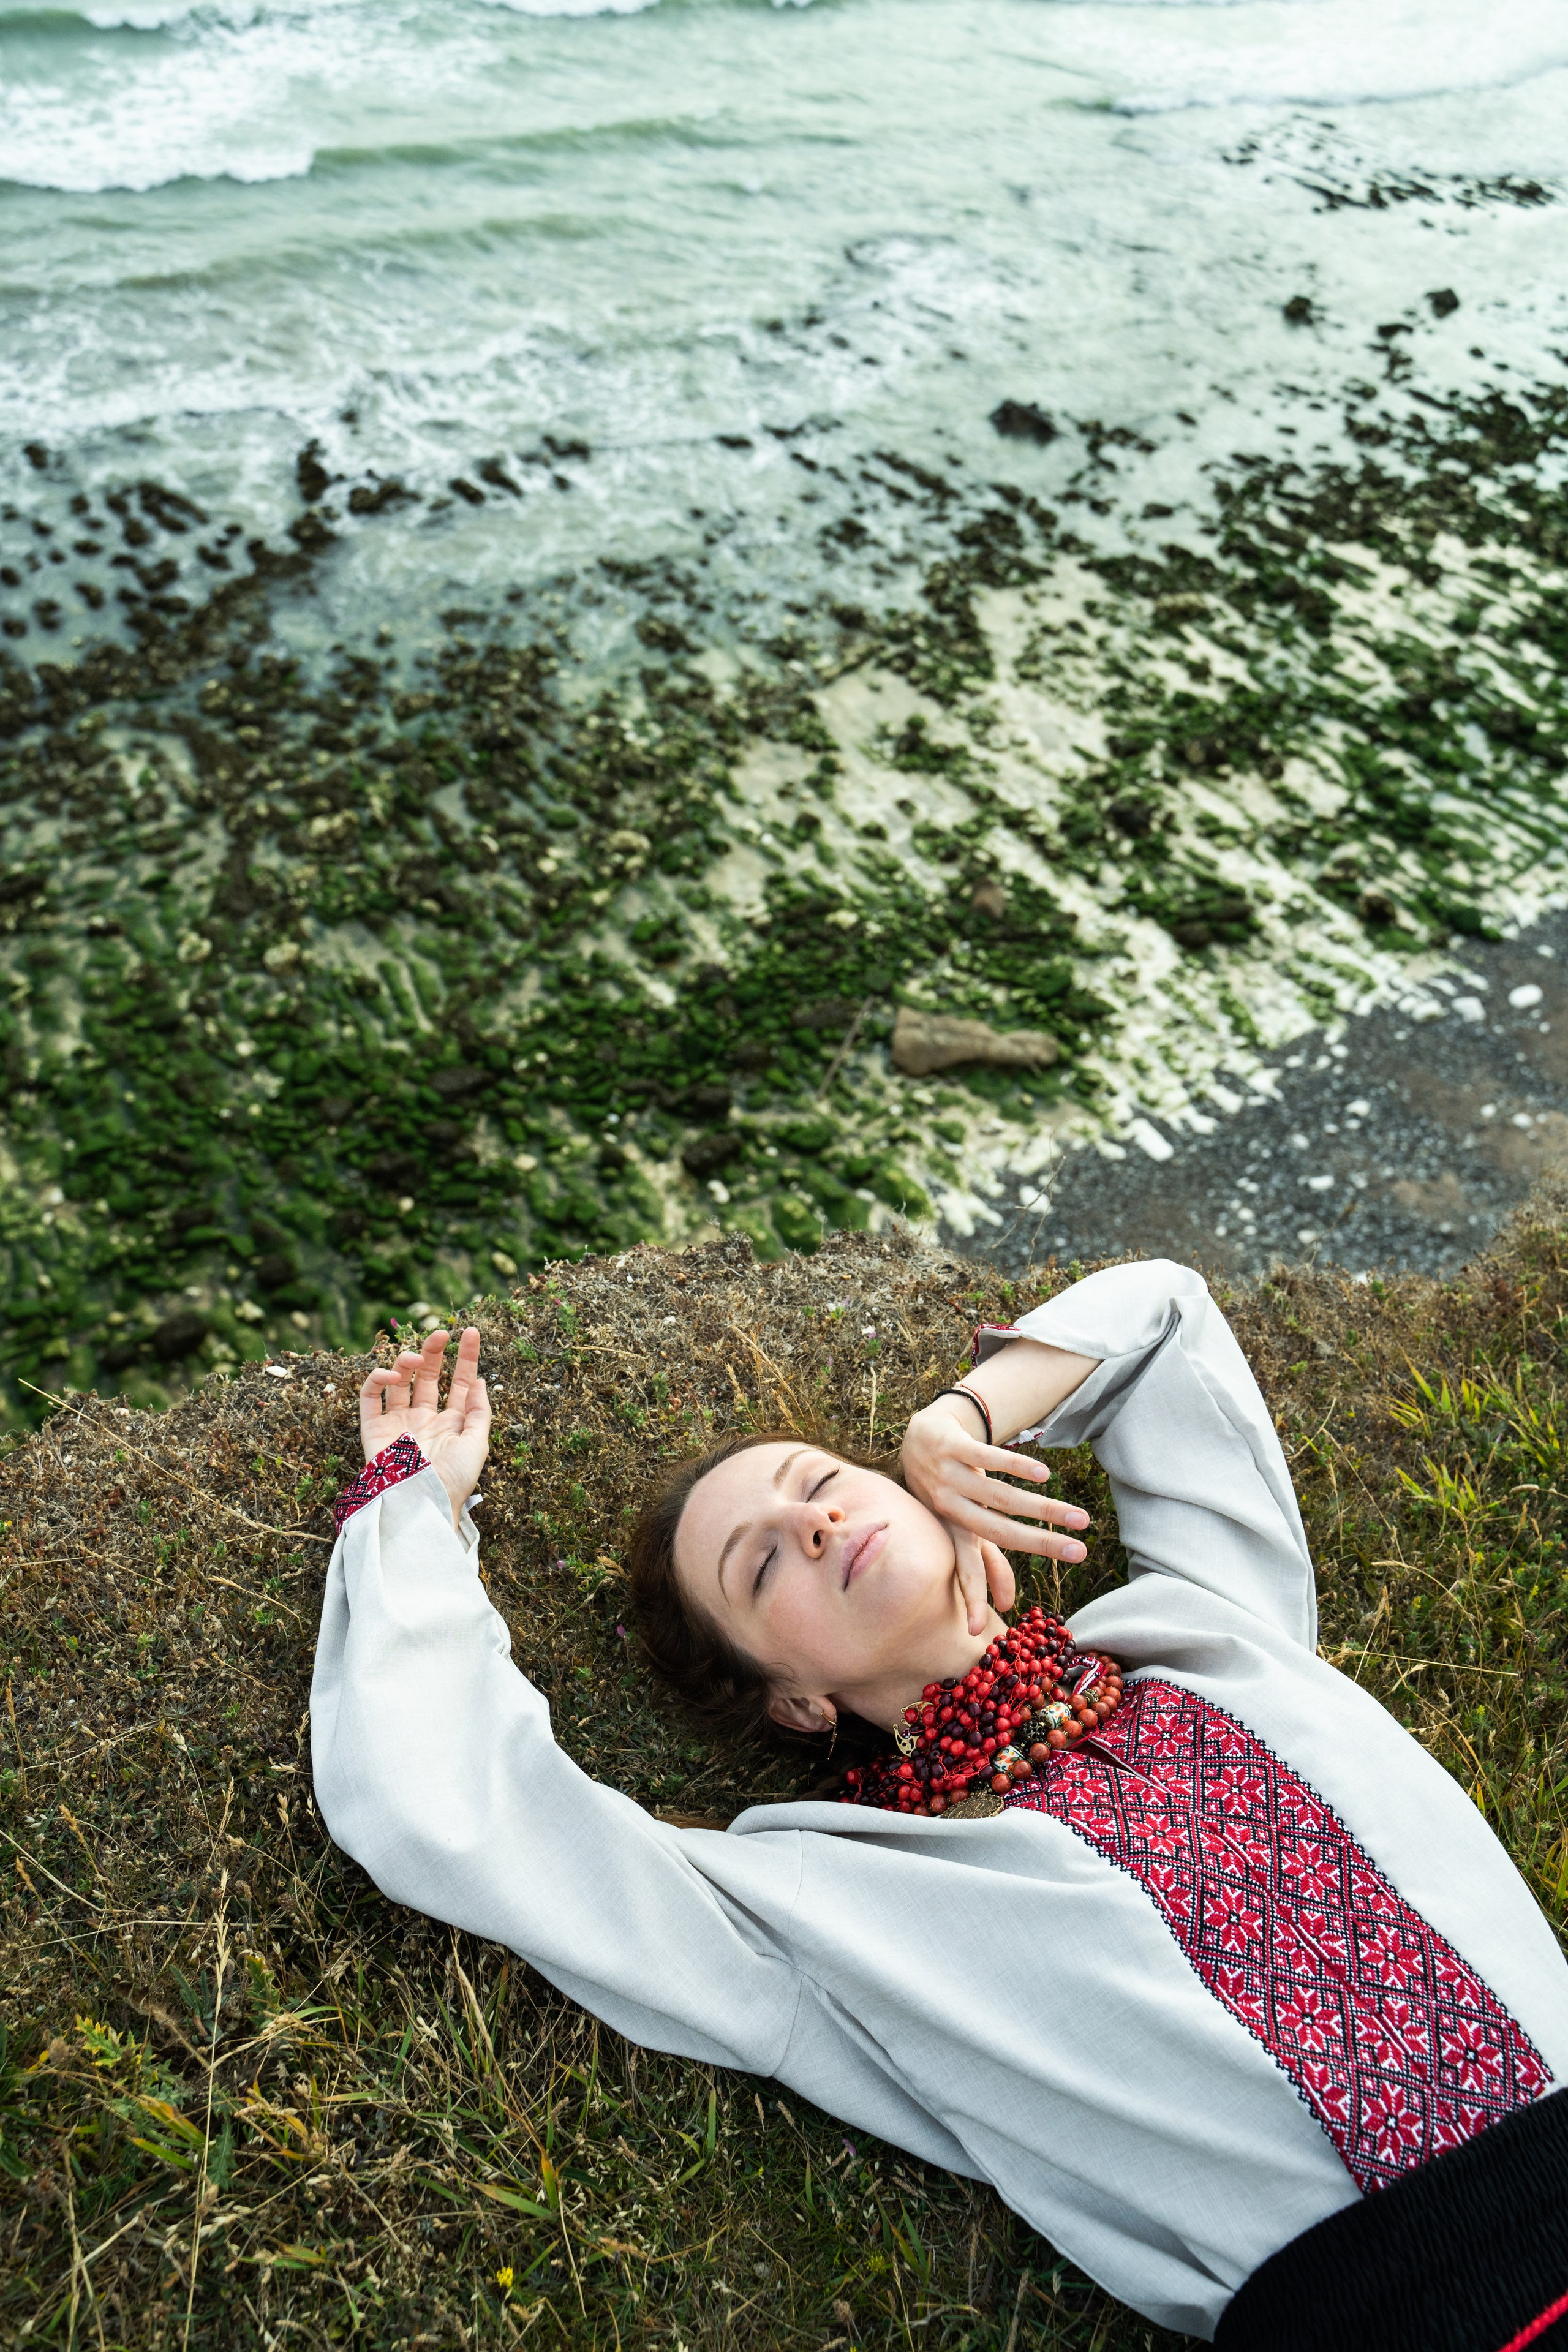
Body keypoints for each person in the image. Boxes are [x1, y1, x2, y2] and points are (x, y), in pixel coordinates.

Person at [311, 1259, 1568, 2350]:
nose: (812, 1523)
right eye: (760, 1563)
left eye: (821, 1481)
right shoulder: (824, 1903)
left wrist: (962, 1412)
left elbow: (1164, 1322)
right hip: (1409, 2309)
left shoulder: (1202, 1629)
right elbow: (448, 1809)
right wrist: (416, 1507)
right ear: (796, 1703)